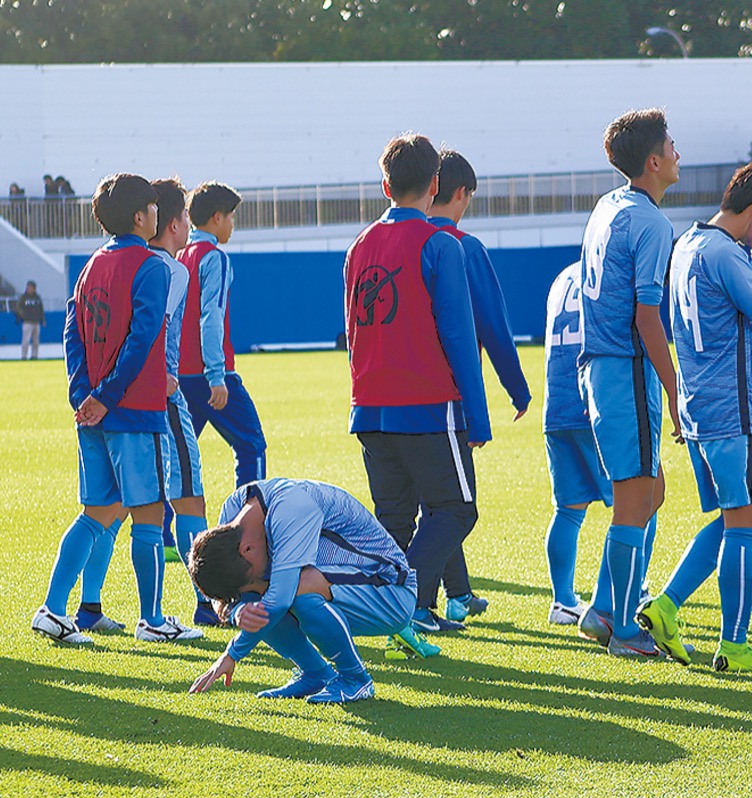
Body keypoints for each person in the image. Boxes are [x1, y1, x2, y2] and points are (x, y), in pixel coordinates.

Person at [637, 156, 752, 672]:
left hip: (696, 408)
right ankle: (733, 645)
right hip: (731, 409)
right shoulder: (730, 254)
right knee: (746, 522)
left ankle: (666, 607)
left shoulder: (687, 243)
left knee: (731, 517)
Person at [30, 173, 202, 645]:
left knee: (96, 513)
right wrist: (105, 396)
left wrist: (83, 396)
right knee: (148, 513)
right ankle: (152, 618)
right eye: (152, 207)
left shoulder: (89, 267)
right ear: (141, 217)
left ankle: (53, 608)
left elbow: (71, 334)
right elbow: (143, 338)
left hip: (95, 414)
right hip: (133, 410)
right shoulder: (151, 267)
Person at [344, 134, 491, 635]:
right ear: (435, 184)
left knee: (394, 520)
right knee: (456, 508)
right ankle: (404, 606)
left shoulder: (358, 246)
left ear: (384, 184)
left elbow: (353, 332)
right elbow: (458, 335)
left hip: (369, 407)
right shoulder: (440, 244)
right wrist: (478, 413)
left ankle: (415, 612)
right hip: (427, 405)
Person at [72, 178, 221, 631]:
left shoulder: (103, 263)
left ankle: (88, 605)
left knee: (110, 508)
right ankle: (202, 604)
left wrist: (88, 394)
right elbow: (152, 335)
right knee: (186, 496)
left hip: (108, 398)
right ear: (167, 222)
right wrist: (171, 377)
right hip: (155, 397)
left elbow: (76, 327)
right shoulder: (166, 270)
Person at [575, 108, 682, 659]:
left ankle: (600, 609)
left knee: (649, 491)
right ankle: (621, 627)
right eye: (672, 144)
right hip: (624, 367)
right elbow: (646, 317)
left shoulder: (607, 206)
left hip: (598, 366)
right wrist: (673, 390)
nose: (679, 153)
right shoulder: (652, 223)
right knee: (634, 500)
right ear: (654, 161)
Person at [187, 478, 436, 705]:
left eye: (250, 581)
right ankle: (314, 673)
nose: (255, 586)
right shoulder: (233, 518)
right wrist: (239, 610)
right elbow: (234, 599)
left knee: (295, 588)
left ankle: (355, 679)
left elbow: (280, 599)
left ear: (247, 550)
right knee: (264, 599)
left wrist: (232, 654)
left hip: (392, 593)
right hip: (344, 587)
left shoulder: (290, 509)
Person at [427, 149, 533, 622]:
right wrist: (517, 389)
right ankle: (424, 601)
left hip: (393, 398)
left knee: (435, 501)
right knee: (453, 504)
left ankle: (459, 593)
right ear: (463, 193)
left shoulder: (400, 241)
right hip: (450, 396)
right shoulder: (463, 247)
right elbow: (493, 326)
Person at [176, 181, 268, 492]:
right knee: (251, 444)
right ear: (217, 217)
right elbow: (210, 317)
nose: (232, 225)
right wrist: (216, 376)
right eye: (231, 217)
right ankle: (247, 526)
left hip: (181, 376)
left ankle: (161, 534)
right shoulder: (213, 257)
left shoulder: (179, 257)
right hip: (212, 375)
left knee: (178, 458)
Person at [541, 260, 613, 626]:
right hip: (596, 401)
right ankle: (628, 589)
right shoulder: (609, 269)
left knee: (568, 510)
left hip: (557, 402)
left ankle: (563, 600)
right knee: (637, 504)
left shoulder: (562, 276)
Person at [15, 280, 45, 361]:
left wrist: (42, 319)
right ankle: (24, 356)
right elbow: (17, 308)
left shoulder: (37, 298)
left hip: (36, 322)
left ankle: (34, 355)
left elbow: (41, 309)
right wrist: (22, 315)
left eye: (31, 287)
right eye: (28, 287)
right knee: (26, 340)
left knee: (36, 341)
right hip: (27, 322)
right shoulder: (23, 298)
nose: (29, 289)